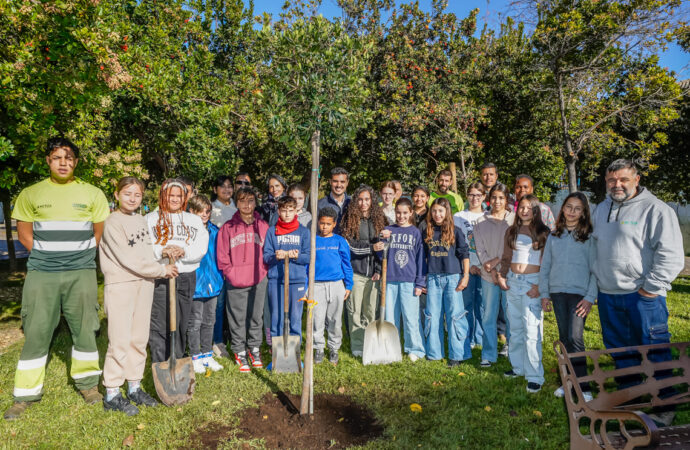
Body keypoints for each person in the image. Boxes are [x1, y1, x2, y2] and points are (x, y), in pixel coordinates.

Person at [5, 138, 110, 420]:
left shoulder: (93, 194)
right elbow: (24, 232)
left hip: (81, 273)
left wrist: (83, 254)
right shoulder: (31, 193)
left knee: (85, 327)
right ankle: (25, 394)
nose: (63, 162)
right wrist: (42, 253)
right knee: (37, 330)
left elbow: (98, 231)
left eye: (69, 157)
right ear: (48, 161)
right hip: (43, 272)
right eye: (56, 157)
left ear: (76, 161)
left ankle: (88, 385)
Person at [592, 159, 684, 426]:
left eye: (623, 179)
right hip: (609, 295)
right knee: (621, 352)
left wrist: (650, 289)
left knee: (654, 350)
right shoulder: (601, 209)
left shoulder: (656, 210)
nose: (616, 185)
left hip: (643, 297)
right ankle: (633, 399)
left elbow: (671, 255)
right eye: (611, 180)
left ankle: (665, 404)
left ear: (637, 179)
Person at [100, 177, 176, 415]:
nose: (132, 199)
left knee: (139, 337)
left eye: (137, 195)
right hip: (122, 284)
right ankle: (112, 391)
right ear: (116, 195)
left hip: (144, 284)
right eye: (127, 194)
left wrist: (162, 253)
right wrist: (161, 270)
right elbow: (128, 259)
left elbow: (142, 252)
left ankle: (134, 386)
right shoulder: (112, 222)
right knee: (120, 339)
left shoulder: (141, 220)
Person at [540, 192, 596, 401]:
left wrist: (590, 297)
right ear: (562, 209)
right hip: (557, 292)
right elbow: (545, 266)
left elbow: (595, 270)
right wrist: (545, 294)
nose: (572, 212)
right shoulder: (554, 236)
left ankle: (584, 387)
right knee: (564, 339)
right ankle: (568, 382)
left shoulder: (589, 237)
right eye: (568, 207)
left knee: (575, 338)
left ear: (583, 213)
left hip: (579, 294)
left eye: (577, 208)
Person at [146, 179, 209, 363]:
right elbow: (144, 247)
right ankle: (160, 363)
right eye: (170, 195)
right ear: (163, 196)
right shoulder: (150, 219)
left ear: (185, 198)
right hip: (161, 276)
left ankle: (177, 360)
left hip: (186, 276)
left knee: (181, 322)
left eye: (178, 196)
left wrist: (184, 252)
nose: (174, 199)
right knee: (159, 323)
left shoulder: (194, 220)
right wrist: (161, 251)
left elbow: (201, 247)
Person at [499, 194, 550, 393]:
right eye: (522, 206)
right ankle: (518, 367)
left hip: (532, 284)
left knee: (532, 330)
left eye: (529, 207)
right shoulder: (511, 231)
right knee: (516, 328)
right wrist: (502, 276)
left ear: (536, 210)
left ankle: (535, 375)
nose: (525, 210)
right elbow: (506, 256)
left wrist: (540, 286)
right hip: (513, 282)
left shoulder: (543, 232)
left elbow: (547, 262)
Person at [216, 187, 269, 373]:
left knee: (256, 316)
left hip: (258, 279)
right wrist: (231, 273)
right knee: (237, 318)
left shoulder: (262, 226)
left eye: (250, 201)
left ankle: (254, 348)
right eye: (242, 201)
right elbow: (222, 257)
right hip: (236, 280)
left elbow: (268, 252)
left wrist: (263, 270)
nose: (247, 205)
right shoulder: (228, 228)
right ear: (236, 203)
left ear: (255, 202)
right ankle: (239, 350)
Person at [422, 198, 470, 366]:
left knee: (454, 315)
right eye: (434, 211)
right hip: (433, 277)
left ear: (447, 212)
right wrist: (423, 280)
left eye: (441, 211)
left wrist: (465, 276)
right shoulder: (427, 231)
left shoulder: (455, 231)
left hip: (453, 277)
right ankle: (434, 353)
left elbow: (464, 254)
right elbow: (423, 258)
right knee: (432, 316)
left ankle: (457, 354)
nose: (437, 214)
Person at [340, 185, 386, 357]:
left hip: (374, 274)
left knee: (370, 310)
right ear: (355, 201)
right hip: (355, 273)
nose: (363, 203)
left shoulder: (380, 219)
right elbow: (350, 247)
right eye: (360, 199)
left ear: (372, 200)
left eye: (367, 199)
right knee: (354, 311)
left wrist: (379, 269)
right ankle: (357, 345)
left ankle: (369, 343)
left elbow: (383, 248)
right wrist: (371, 247)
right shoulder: (349, 220)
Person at [474, 183, 515, 369]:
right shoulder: (480, 223)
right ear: (489, 199)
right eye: (495, 197)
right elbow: (480, 250)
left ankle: (512, 349)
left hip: (508, 275)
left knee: (510, 314)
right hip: (488, 275)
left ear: (506, 200)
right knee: (488, 315)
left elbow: (514, 248)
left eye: (501, 197)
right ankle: (489, 354)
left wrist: (500, 267)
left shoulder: (513, 220)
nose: (497, 201)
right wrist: (490, 268)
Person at [381, 198, 426, 361]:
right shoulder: (388, 230)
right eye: (398, 213)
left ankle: (415, 348)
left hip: (409, 280)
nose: (401, 216)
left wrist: (420, 282)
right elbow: (381, 254)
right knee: (390, 317)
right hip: (390, 280)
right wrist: (382, 239)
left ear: (411, 213)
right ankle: (392, 348)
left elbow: (421, 259)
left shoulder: (415, 232)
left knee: (411, 317)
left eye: (405, 213)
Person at [264, 196, 310, 346]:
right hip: (277, 281)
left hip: (296, 281)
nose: (287, 214)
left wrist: (297, 256)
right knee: (277, 317)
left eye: (291, 210)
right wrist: (275, 256)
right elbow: (266, 257)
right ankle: (276, 351)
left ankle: (294, 350)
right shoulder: (272, 232)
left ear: (296, 211)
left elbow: (308, 257)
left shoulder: (303, 232)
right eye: (284, 210)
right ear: (278, 211)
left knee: (295, 317)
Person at [187, 195, 225, 374]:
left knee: (210, 320)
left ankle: (207, 354)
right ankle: (195, 355)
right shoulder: (187, 231)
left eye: (207, 211)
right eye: (200, 211)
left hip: (213, 282)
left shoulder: (215, 231)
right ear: (191, 211)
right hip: (195, 283)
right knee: (195, 321)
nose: (205, 214)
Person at [312, 207, 354, 365]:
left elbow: (346, 264)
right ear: (318, 223)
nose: (324, 227)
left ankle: (334, 348)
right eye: (322, 223)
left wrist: (348, 284)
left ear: (334, 224)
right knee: (317, 318)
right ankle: (319, 348)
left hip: (337, 284)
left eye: (328, 224)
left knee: (335, 319)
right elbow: (307, 265)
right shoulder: (313, 240)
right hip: (317, 285)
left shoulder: (340, 241)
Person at [454, 182, 486, 349]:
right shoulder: (459, 217)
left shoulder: (488, 216)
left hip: (484, 269)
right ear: (467, 196)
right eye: (472, 195)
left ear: (484, 197)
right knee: (466, 305)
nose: (475, 198)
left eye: (478, 195)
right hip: (465, 267)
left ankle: (480, 338)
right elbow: (457, 245)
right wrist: (469, 266)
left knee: (482, 305)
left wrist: (481, 265)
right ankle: (468, 337)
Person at [317, 167, 351, 233]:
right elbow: (317, 231)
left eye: (342, 182)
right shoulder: (320, 205)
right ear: (330, 182)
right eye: (335, 181)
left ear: (347, 183)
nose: (339, 185)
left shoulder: (352, 203)